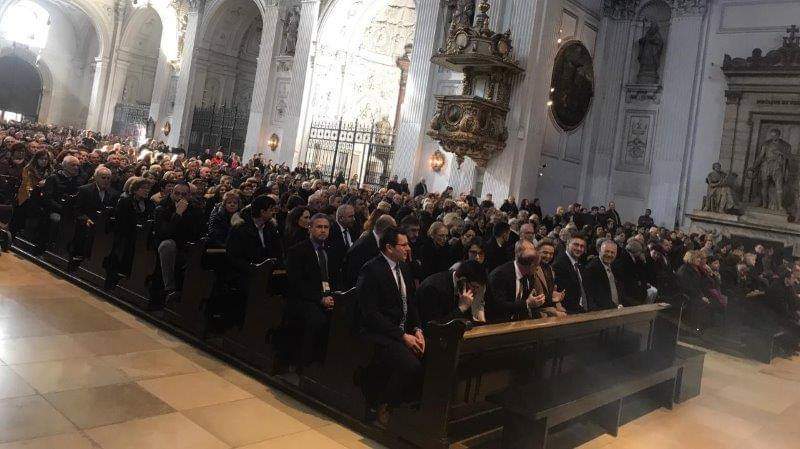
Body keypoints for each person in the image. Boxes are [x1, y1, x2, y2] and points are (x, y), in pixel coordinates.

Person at [356, 227, 423, 425]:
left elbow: (411, 302)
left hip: (401, 330)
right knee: (410, 365)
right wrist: (402, 336)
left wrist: (417, 329)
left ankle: (410, 406)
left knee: (433, 356)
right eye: (404, 245)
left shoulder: (404, 267)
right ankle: (385, 404)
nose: (408, 248)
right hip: (379, 332)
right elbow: (371, 314)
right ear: (389, 247)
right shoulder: (371, 269)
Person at [286, 213, 339, 367]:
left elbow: (335, 278)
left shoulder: (331, 250)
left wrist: (335, 296)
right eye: (319, 227)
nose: (323, 230)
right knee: (317, 319)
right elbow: (297, 283)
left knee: (343, 317)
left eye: (326, 227)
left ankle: (329, 364)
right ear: (310, 228)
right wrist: (320, 298)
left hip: (328, 296)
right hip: (304, 299)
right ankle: (305, 363)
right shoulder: (297, 251)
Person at [154, 182, 205, 301]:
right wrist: (177, 214)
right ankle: (170, 288)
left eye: (184, 194)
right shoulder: (162, 207)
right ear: (172, 193)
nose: (180, 197)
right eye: (177, 193)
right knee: (167, 245)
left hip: (187, 244)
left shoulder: (195, 209)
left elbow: (198, 231)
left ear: (189, 196)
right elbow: (164, 233)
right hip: (169, 242)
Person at [486, 239, 547, 322]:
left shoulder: (529, 275)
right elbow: (499, 306)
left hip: (521, 321)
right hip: (499, 321)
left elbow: (528, 301)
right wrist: (527, 303)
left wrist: (536, 302)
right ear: (531, 265)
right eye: (536, 266)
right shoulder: (499, 275)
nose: (537, 269)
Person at [418, 259, 487, 329]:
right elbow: (434, 327)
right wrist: (461, 308)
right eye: (474, 287)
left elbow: (467, 321)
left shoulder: (461, 288)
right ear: (463, 280)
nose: (475, 291)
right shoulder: (433, 288)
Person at [72, 165, 118, 264]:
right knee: (87, 230)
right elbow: (77, 210)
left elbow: (113, 211)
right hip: (86, 220)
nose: (106, 180)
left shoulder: (113, 193)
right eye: (103, 177)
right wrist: (85, 219)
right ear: (96, 177)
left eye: (108, 178)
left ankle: (98, 260)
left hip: (103, 223)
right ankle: (82, 257)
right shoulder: (85, 190)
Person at [344, 214, 396, 288]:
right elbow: (354, 277)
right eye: (393, 231)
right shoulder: (361, 248)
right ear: (385, 230)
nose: (394, 235)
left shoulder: (375, 241)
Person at [583, 240, 624, 310]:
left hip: (618, 308)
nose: (609, 255)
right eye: (607, 251)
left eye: (612, 252)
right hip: (602, 311)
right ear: (600, 251)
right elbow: (597, 297)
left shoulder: (615, 267)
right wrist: (615, 307)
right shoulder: (592, 269)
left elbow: (621, 292)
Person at [552, 235, 588, 313]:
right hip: (570, 312)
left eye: (582, 246)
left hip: (582, 309)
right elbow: (564, 295)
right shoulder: (560, 264)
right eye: (576, 245)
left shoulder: (579, 265)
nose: (579, 249)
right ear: (567, 244)